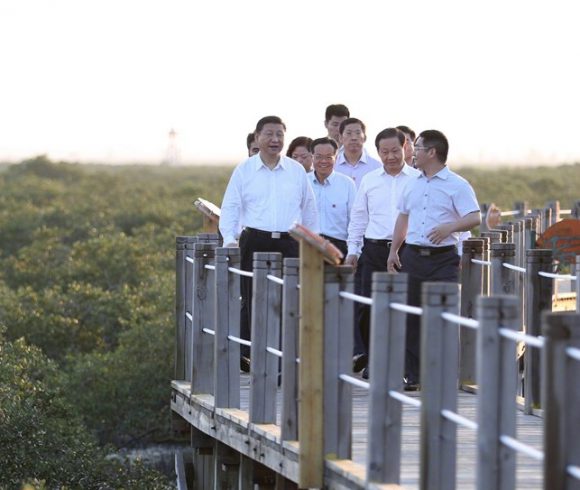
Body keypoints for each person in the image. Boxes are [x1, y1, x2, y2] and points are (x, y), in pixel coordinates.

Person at [221, 116, 319, 370]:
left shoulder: (297, 171)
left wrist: (313, 244)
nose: (275, 140)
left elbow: (310, 211)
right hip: (255, 240)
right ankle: (260, 360)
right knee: (255, 302)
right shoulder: (244, 169)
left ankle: (286, 363)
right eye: (269, 134)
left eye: (279, 135)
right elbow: (230, 207)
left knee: (290, 302)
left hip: (290, 243)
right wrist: (230, 239)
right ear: (257, 137)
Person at [387, 129, 481, 390]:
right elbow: (403, 217)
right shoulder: (412, 183)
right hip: (412, 256)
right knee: (411, 315)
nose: (412, 153)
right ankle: (414, 374)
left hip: (443, 259)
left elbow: (475, 217)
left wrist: (449, 228)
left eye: (417, 148)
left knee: (443, 315)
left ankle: (444, 373)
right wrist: (394, 250)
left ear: (432, 152)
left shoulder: (457, 184)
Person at [345, 128, 420, 379]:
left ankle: (406, 368)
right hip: (374, 249)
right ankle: (374, 360)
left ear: (406, 148)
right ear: (378, 152)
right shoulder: (370, 180)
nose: (390, 156)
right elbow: (358, 217)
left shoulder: (418, 180)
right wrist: (353, 250)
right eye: (385, 152)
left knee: (406, 308)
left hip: (408, 251)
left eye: (395, 151)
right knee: (367, 307)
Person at [307, 137, 356, 257]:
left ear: (337, 157)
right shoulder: (303, 181)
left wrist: (354, 251)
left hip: (338, 247)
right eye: (318, 157)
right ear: (312, 157)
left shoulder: (347, 184)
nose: (323, 161)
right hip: (307, 245)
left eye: (329, 157)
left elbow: (354, 220)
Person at [334, 118, 382, 188]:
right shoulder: (333, 165)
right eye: (349, 133)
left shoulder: (376, 166)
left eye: (358, 133)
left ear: (365, 138)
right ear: (340, 138)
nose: (354, 138)